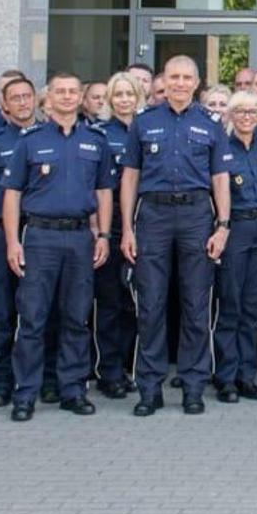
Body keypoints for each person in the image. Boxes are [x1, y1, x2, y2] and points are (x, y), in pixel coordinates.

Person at [119, 55, 231, 417]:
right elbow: (130, 178)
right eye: (174, 77)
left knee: (196, 305)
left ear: (196, 82)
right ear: (162, 82)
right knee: (150, 304)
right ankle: (149, 388)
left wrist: (223, 225)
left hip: (197, 215)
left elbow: (220, 179)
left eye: (187, 77)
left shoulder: (211, 124)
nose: (180, 83)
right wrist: (126, 229)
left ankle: (194, 386)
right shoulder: (144, 122)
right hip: (153, 216)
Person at [1, 73, 114, 422]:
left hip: (80, 238)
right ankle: (26, 394)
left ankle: (72, 389)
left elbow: (104, 191)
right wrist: (12, 242)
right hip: (40, 238)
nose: (66, 97)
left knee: (76, 318)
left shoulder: (96, 140)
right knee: (32, 318)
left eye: (72, 92)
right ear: (47, 99)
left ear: (81, 98)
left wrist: (104, 235)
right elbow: (13, 194)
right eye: (59, 92)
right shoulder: (30, 141)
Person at [0, 75, 39, 407]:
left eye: (27, 96)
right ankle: (1, 380)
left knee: (37, 310)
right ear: (4, 104)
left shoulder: (47, 136)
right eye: (15, 98)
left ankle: (38, 377)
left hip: (41, 232)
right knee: (2, 309)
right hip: (2, 234)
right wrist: (5, 221)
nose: (23, 103)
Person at [213, 91, 257, 403]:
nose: (246, 117)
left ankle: (246, 376)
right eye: (239, 111)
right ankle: (226, 377)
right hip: (235, 229)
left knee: (254, 307)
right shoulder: (221, 148)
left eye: (252, 111)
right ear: (230, 115)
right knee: (231, 305)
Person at [90, 71, 144, 398]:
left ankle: (131, 367)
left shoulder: (148, 129)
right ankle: (108, 371)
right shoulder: (98, 134)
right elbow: (93, 185)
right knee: (109, 302)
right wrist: (98, 229)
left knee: (136, 305)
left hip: (145, 224)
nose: (124, 100)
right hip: (109, 226)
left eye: (129, 93)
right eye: (118, 94)